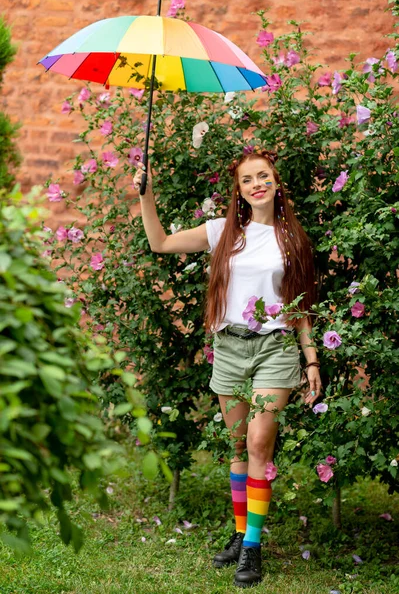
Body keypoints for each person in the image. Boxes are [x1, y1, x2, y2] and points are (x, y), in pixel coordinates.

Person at [133, 150, 322, 588]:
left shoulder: (292, 239)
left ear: (276, 183)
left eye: (264, 176)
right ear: (238, 191)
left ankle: (252, 549)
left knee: (259, 441)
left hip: (274, 349)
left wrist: (311, 358)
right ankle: (241, 535)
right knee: (239, 448)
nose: (257, 184)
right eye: (247, 179)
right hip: (230, 347)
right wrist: (147, 196)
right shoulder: (222, 232)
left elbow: (302, 309)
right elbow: (159, 243)